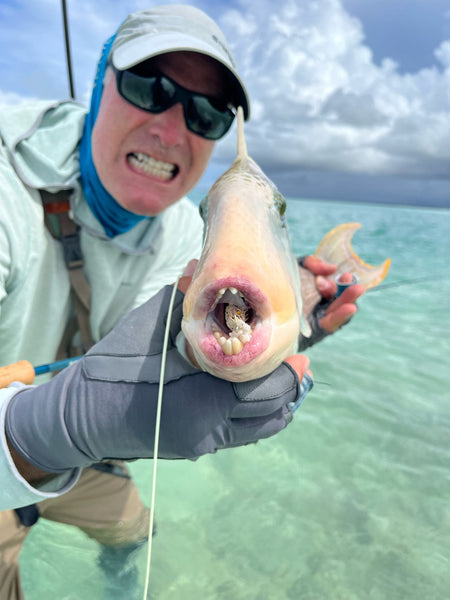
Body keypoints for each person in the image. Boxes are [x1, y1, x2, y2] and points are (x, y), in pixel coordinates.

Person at [0, 4, 364, 599]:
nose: (172, 130)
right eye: (149, 86)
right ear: (99, 83)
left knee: (136, 530)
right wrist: (42, 431)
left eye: (208, 112)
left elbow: (170, 349)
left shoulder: (180, 236)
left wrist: (283, 309)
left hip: (82, 461)